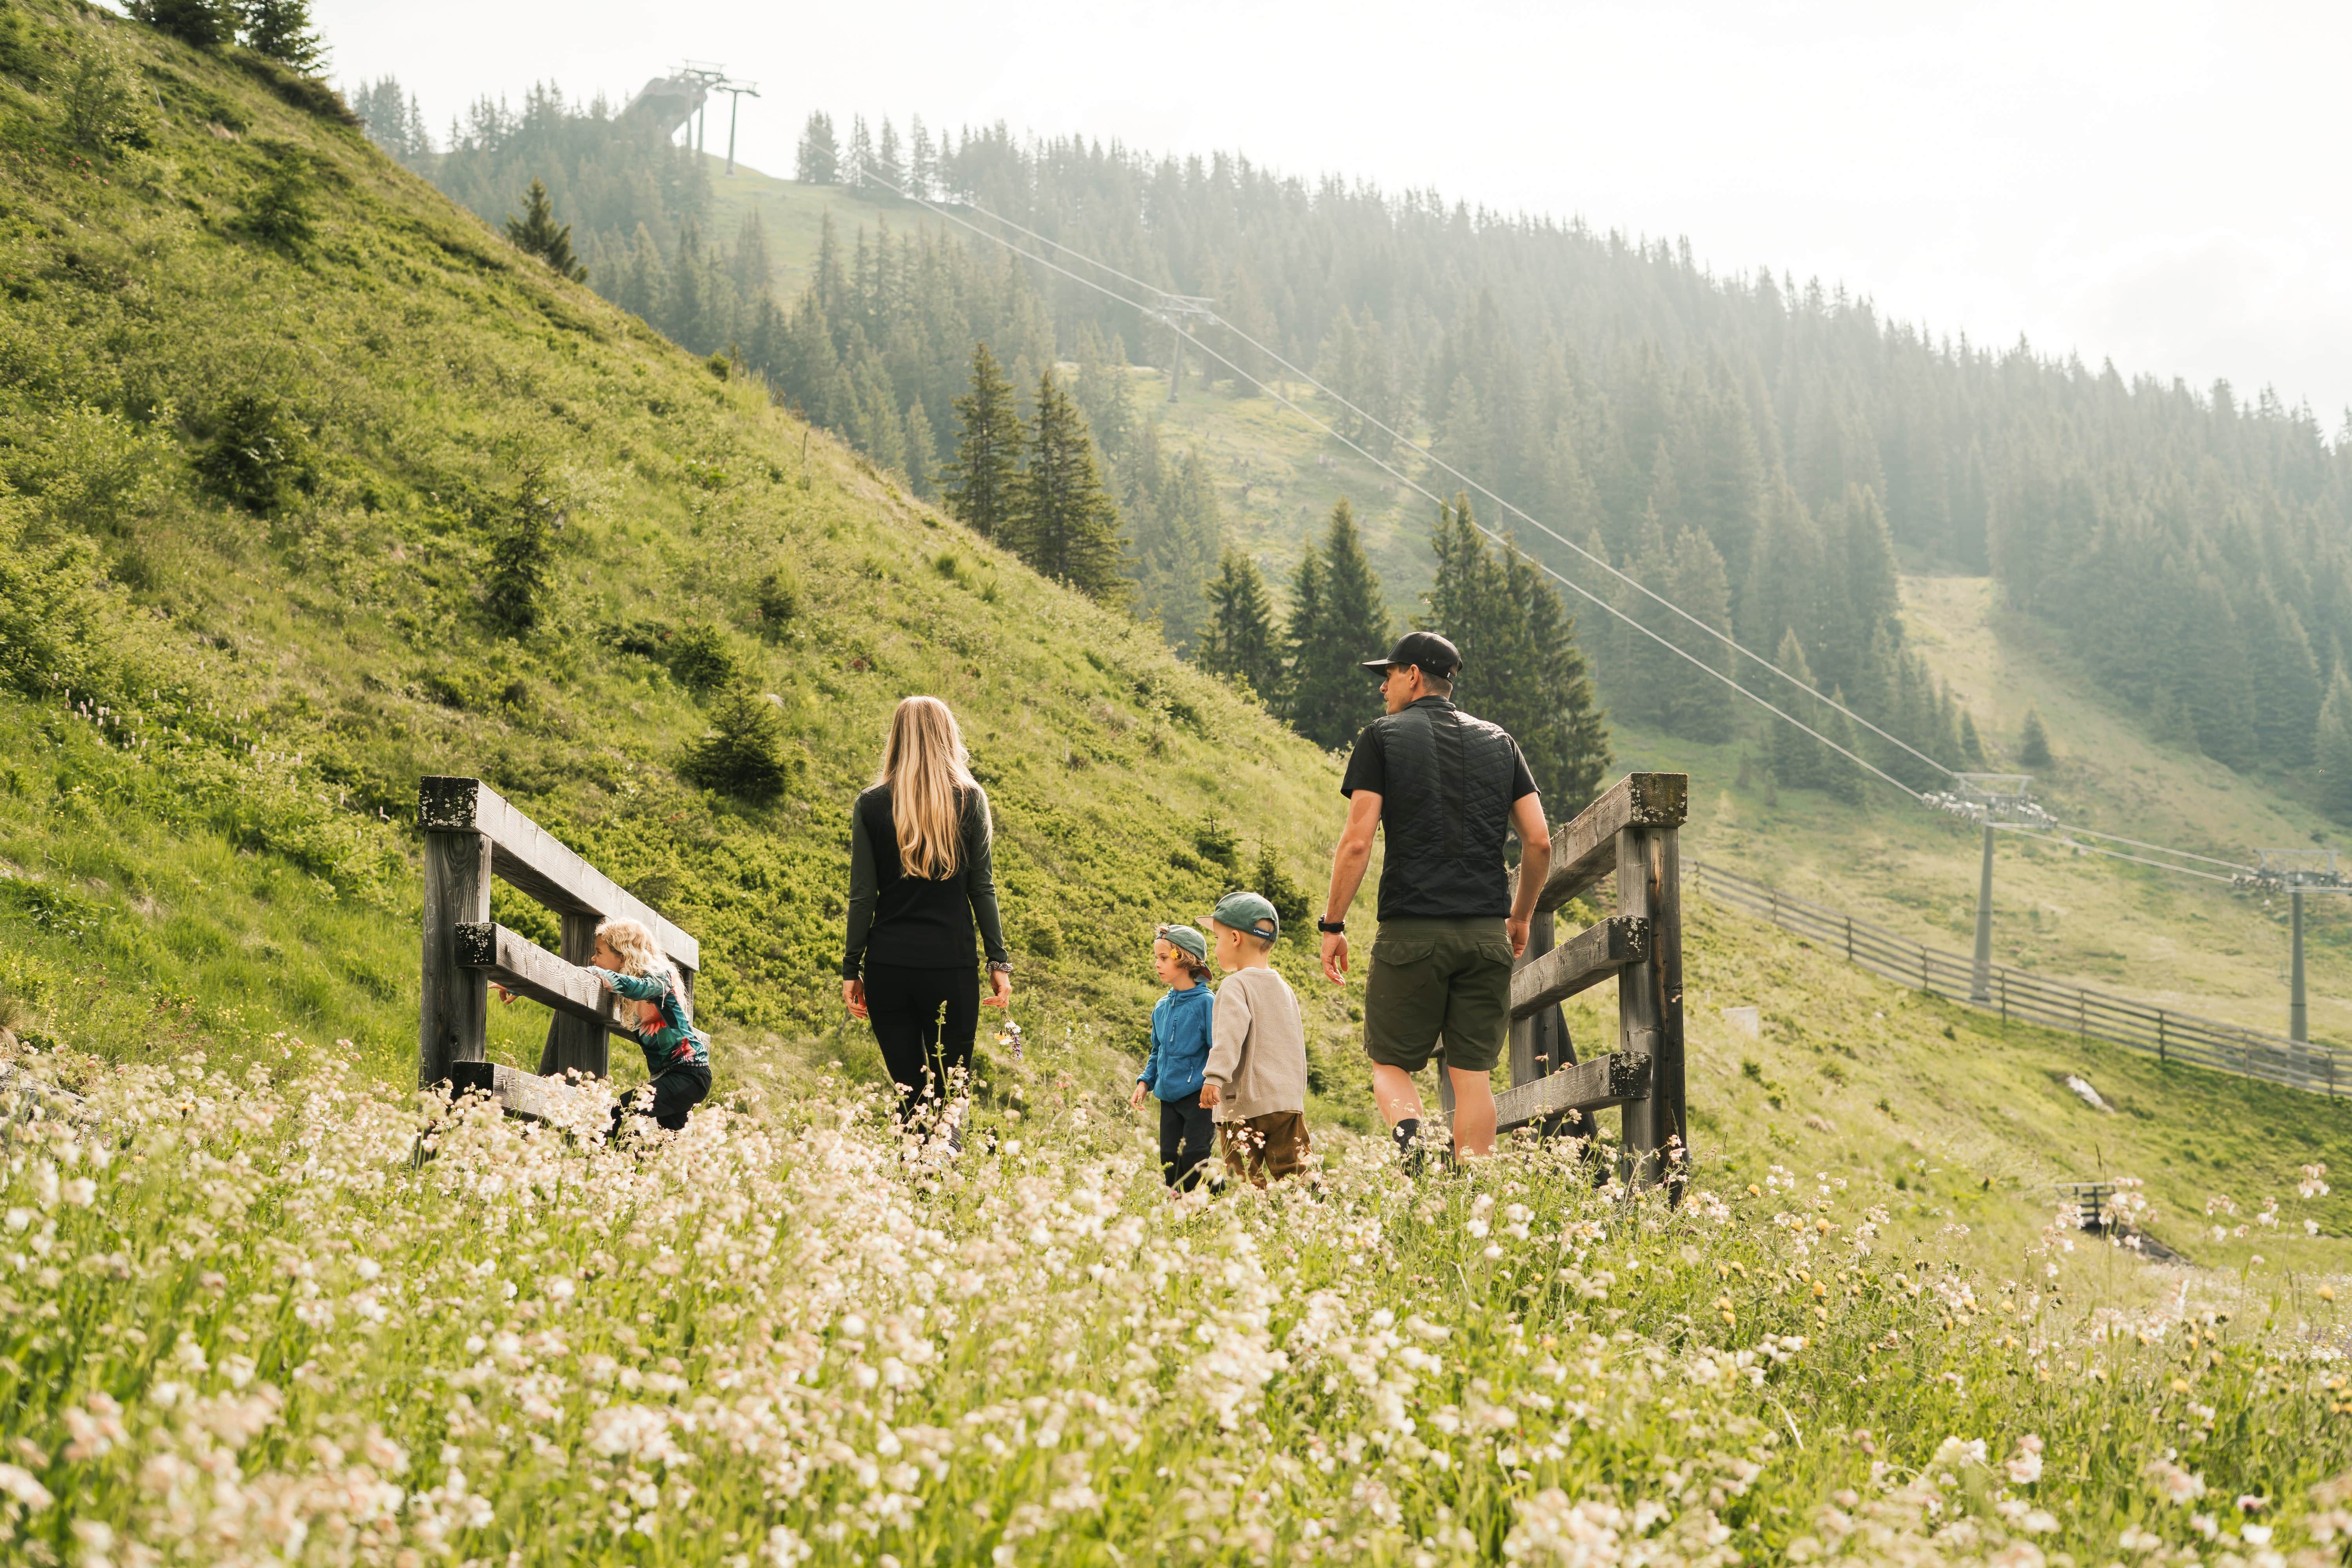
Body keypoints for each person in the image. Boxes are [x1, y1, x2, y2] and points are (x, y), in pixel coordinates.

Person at [1316, 631, 1553, 1167]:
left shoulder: (1381, 739)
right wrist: (1520, 917)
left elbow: (1357, 841)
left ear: (1414, 675)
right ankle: (1474, 1197)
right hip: (1487, 934)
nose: (1382, 689)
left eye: (1389, 674)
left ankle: (1417, 1151)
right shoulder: (1501, 742)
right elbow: (1539, 842)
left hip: (1411, 932)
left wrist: (1332, 925)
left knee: (1390, 1064)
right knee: (1472, 1075)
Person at [841, 695, 1013, 1131]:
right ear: (947, 736)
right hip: (950, 966)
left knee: (909, 1094)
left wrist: (852, 968)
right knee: (952, 1091)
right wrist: (999, 962)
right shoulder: (971, 800)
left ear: (898, 738)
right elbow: (982, 887)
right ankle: (944, 1178)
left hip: (888, 968)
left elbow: (862, 895)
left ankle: (916, 1184)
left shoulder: (872, 803)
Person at [1200, 891, 1312, 1187]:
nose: (1216, 947)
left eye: (1217, 939)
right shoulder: (1284, 988)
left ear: (1235, 939)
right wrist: (1295, 1093)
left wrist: (1214, 1077)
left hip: (1244, 1103)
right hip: (1286, 1100)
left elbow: (1229, 1037)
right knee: (1294, 1168)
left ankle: (1252, 1221)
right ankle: (1313, 1208)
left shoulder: (1235, 986)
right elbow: (1295, 1044)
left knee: (1245, 1176)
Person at [583, 917, 711, 1134]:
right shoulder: (624, 985)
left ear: (622, 956)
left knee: (624, 1109)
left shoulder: (662, 977)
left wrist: (601, 973)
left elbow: (642, 988)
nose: (593, 959)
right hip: (670, 1078)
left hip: (689, 1074)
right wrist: (518, 989)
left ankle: (613, 1165)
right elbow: (573, 981)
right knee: (672, 1144)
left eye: (599, 952)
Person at [1129, 924, 1218, 1192]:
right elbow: (1158, 1050)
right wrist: (1145, 1083)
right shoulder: (1161, 1007)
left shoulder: (1207, 1003)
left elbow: (1219, 1049)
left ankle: (1215, 1201)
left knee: (1195, 1159)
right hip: (1168, 1098)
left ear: (1185, 959)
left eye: (1164, 958)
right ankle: (1180, 1214)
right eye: (1157, 958)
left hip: (1199, 1100)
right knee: (1169, 1159)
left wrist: (1214, 1083)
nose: (1157, 964)